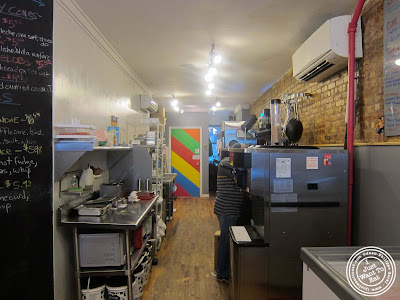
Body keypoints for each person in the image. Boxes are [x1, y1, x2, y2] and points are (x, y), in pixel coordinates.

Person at [213, 141, 245, 282]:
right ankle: (223, 274)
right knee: (225, 242)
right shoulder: (226, 163)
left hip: (230, 208)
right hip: (226, 208)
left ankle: (226, 270)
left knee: (227, 240)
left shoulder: (229, 163)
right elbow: (239, 175)